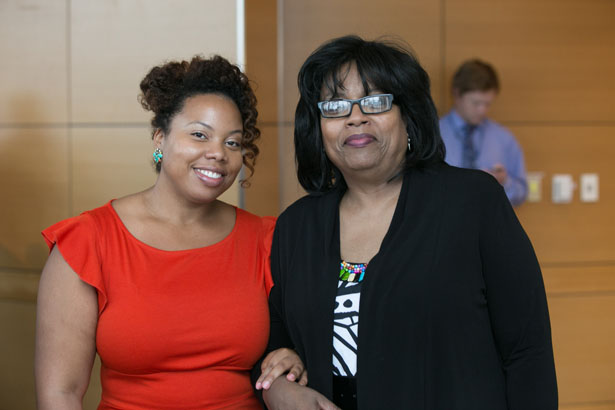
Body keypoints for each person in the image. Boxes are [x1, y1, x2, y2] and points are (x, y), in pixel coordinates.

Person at [258, 36, 557, 410]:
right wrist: (279, 383)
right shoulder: (297, 226)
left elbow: (527, 351)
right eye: (335, 106)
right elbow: (277, 336)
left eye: (375, 101)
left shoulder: (473, 202)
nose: (355, 116)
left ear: (409, 116)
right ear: (318, 128)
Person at [35, 55, 305, 409]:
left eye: (233, 142)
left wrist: (292, 358)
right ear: (160, 137)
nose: (218, 154)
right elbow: (60, 395)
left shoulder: (266, 239)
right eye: (199, 135)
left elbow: (304, 341)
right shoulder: (88, 242)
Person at [439, 59, 528, 206]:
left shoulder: (504, 139)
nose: (482, 110)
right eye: (476, 103)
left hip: (491, 225)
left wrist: (505, 182)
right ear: (457, 95)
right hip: (442, 224)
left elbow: (521, 193)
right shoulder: (433, 135)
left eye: (487, 104)